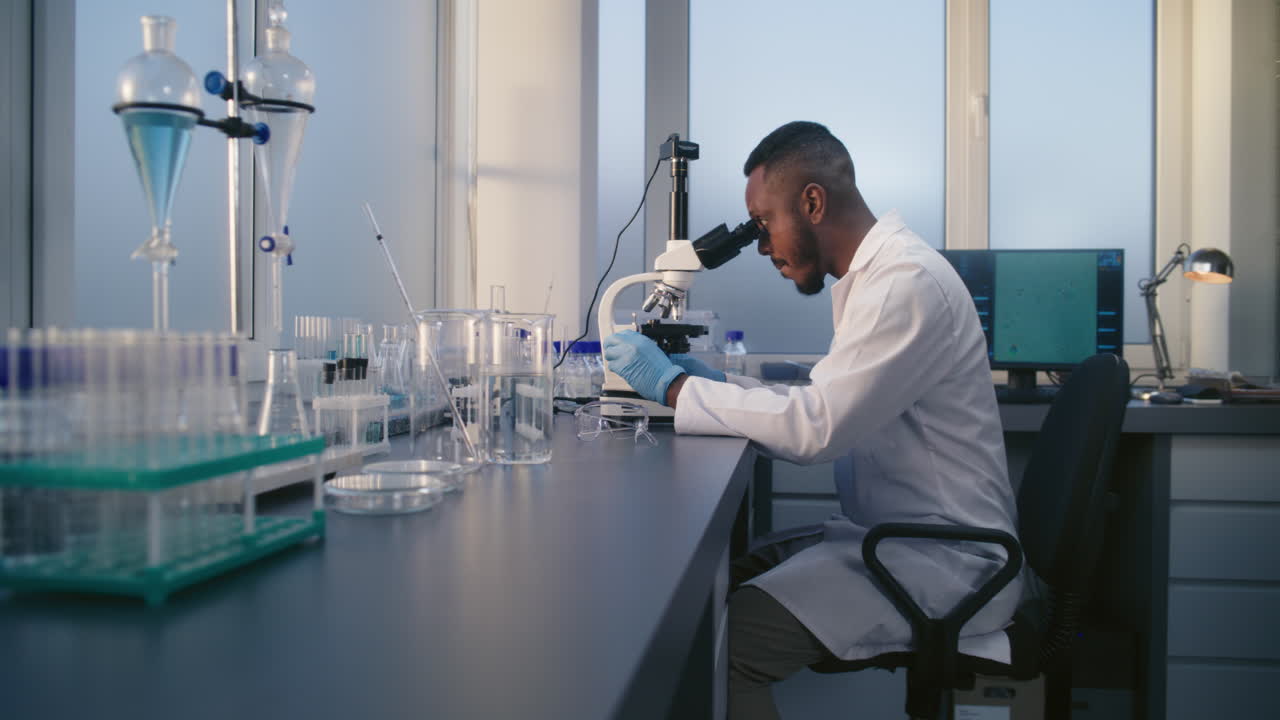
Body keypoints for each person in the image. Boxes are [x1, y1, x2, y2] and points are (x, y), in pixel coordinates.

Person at [603, 121, 1023, 720]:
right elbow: (827, 396)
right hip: (896, 539)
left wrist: (673, 386)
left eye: (763, 222)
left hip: (945, 561)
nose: (761, 244)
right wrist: (722, 384)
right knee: (714, 589)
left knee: (725, 648)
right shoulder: (879, 278)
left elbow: (816, 427)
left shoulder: (907, 282)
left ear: (813, 202)